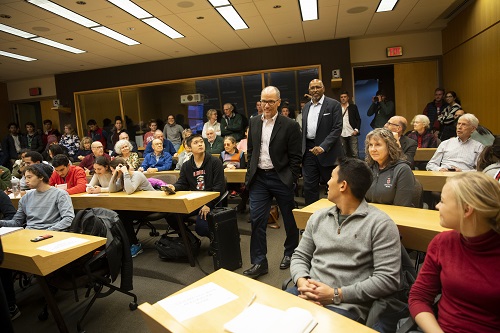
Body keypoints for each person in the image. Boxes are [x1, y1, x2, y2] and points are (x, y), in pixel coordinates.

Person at [289, 157, 401, 323]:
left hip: (345, 305)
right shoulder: (318, 217)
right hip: (305, 292)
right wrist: (302, 281)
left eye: (332, 177)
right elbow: (300, 256)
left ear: (343, 185)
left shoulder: (380, 224)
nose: (327, 182)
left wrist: (335, 294)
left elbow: (387, 279)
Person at [408, 172, 500, 333]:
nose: (436, 206)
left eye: (442, 201)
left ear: (467, 210)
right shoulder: (442, 243)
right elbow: (419, 297)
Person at [0, 163, 74, 322]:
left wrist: (48, 232)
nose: (25, 180)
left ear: (41, 177)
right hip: (30, 235)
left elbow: (68, 219)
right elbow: (17, 222)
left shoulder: (60, 195)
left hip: (50, 236)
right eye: (24, 177)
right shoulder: (26, 197)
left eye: (29, 177)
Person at [243, 86, 302, 279]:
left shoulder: (290, 125)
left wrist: (291, 177)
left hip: (281, 177)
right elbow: (251, 151)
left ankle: (290, 252)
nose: (266, 105)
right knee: (257, 221)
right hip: (259, 178)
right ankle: (259, 262)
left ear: (278, 102)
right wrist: (250, 174)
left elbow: (295, 157)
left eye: (270, 101)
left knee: (289, 219)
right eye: (263, 101)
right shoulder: (253, 121)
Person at [165, 134, 225, 237]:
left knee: (202, 228)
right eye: (196, 143)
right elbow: (182, 183)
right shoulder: (186, 165)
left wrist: (208, 205)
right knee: (170, 215)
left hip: (212, 202)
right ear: (189, 148)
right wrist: (174, 187)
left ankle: (217, 242)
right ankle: (189, 239)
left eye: (201, 141)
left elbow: (219, 187)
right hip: (195, 202)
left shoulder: (215, 162)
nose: (200, 144)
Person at [301, 79, 344, 206]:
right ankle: (312, 219)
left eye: (318, 87)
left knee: (335, 186)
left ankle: (339, 216)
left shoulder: (333, 105)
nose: (315, 90)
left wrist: (323, 147)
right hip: (309, 151)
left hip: (328, 151)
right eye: (312, 88)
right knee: (309, 187)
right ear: (309, 90)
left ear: (323, 89)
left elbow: (337, 129)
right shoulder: (306, 107)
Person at [109, 157, 155, 257]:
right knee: (117, 213)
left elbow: (129, 190)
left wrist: (125, 172)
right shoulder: (121, 178)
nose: (113, 173)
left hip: (151, 206)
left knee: (124, 215)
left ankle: (134, 244)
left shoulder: (137, 175)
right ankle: (128, 242)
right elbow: (111, 190)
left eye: (113, 171)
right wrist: (115, 176)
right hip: (137, 206)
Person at [365, 128, 415, 207]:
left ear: (389, 146)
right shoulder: (367, 168)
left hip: (392, 217)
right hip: (369, 216)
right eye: (370, 145)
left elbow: (401, 207)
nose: (373, 149)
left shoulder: (402, 170)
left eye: (378, 145)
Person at [339, 91, 361, 158]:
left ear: (348, 98)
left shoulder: (353, 107)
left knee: (355, 153)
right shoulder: (337, 108)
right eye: (341, 97)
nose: (343, 98)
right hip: (341, 133)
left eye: (345, 97)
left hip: (352, 132)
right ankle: (345, 168)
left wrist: (356, 130)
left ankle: (357, 168)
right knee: (343, 153)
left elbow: (358, 119)